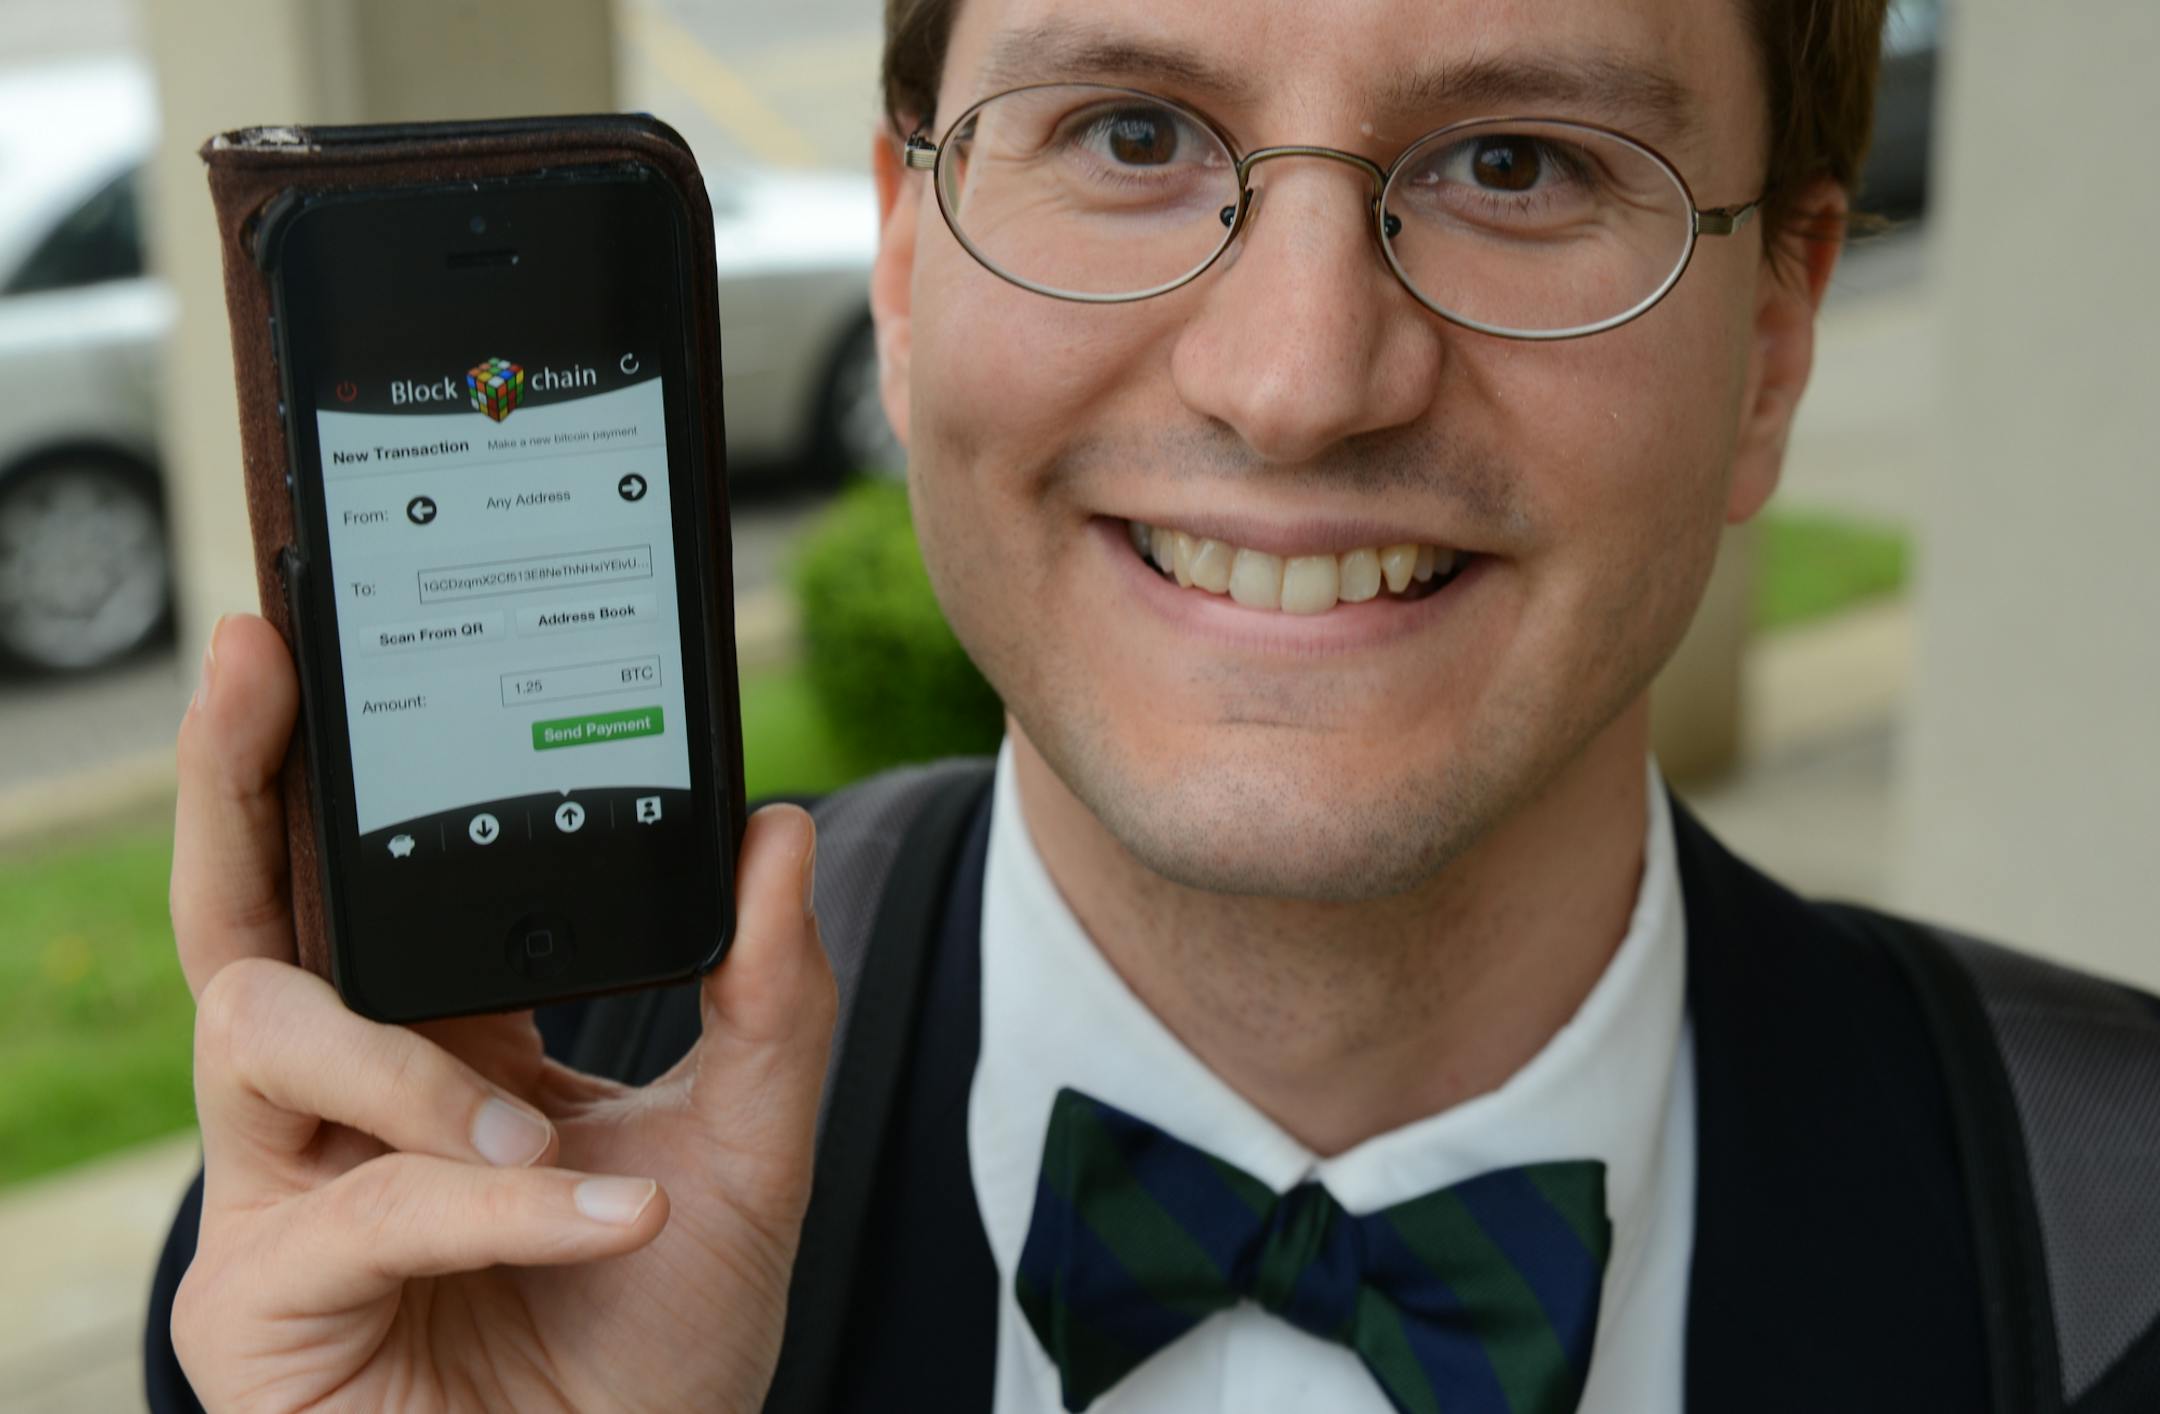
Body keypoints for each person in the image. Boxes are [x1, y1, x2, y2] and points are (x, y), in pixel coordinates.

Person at [145, 0, 2160, 1410]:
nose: (1298, 378)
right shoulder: (419, 1226)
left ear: (1780, 336)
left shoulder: (2128, 1245)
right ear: (907, 270)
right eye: (1132, 133)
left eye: (1517, 161)